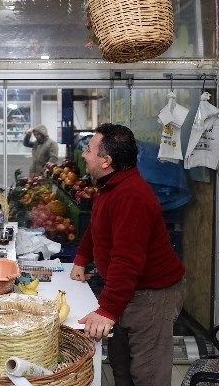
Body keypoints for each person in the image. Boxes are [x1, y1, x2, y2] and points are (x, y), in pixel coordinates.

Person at [69, 123, 185, 386]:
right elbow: (98, 227)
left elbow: (127, 260)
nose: (85, 155)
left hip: (152, 295)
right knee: (120, 365)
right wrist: (81, 258)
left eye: (89, 150)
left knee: (147, 374)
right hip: (126, 290)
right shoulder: (110, 186)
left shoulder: (132, 196)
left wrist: (107, 309)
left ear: (106, 160)